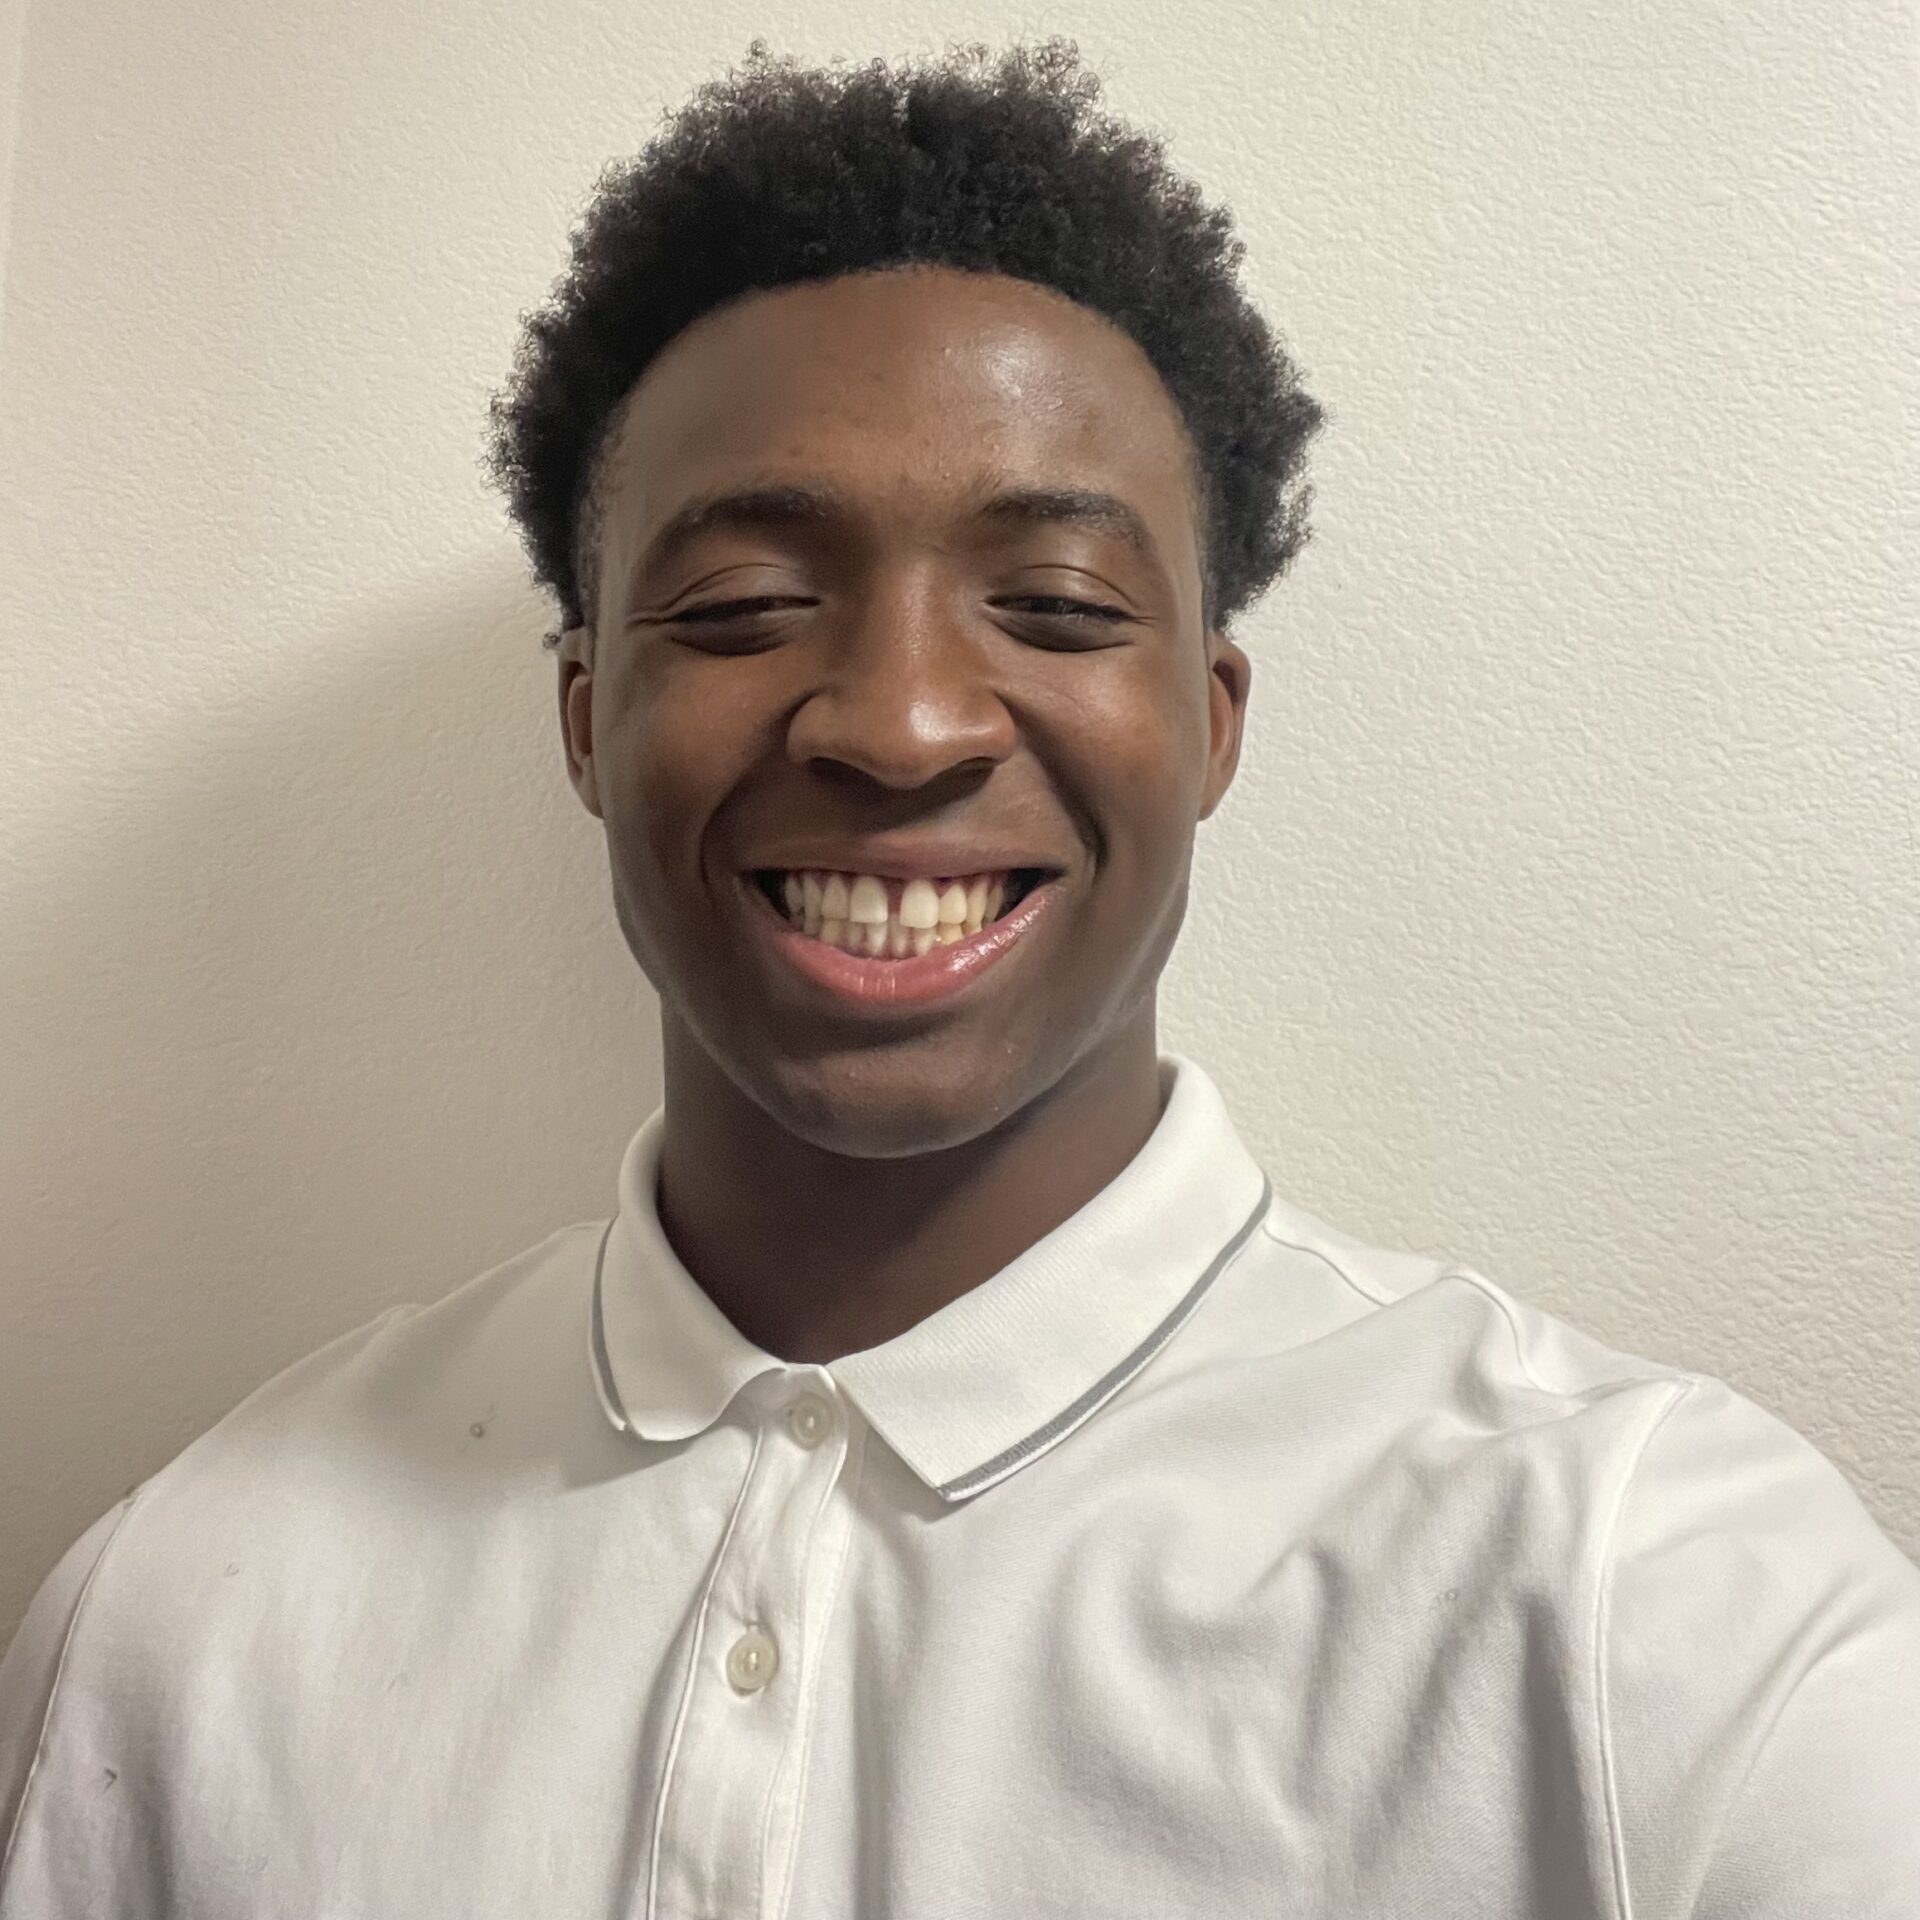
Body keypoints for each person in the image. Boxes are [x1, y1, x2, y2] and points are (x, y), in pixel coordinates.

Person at [2, 38, 1915, 1919]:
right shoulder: (180, 1623)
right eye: (747, 607)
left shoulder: (1651, 1614)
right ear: (588, 719)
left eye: (1061, 608)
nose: (902, 722)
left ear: (1210, 724)